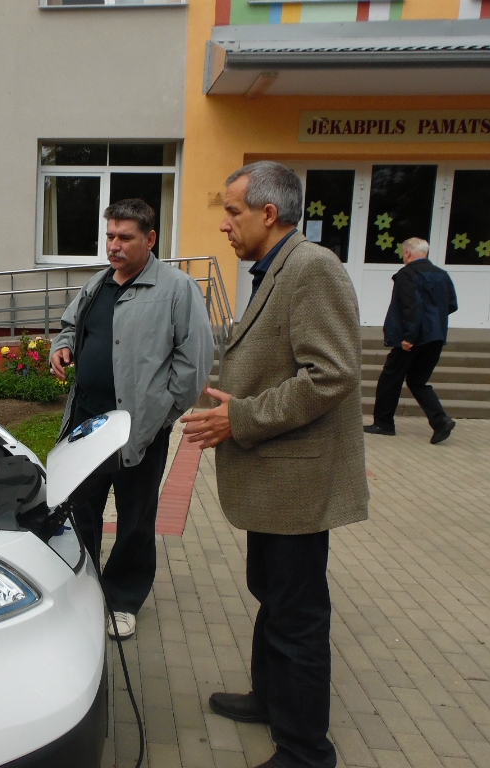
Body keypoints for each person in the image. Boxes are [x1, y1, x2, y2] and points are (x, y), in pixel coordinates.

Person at [180, 162, 368, 768]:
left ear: (268, 213)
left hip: (298, 481)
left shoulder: (313, 268)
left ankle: (306, 750)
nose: (224, 225)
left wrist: (243, 418)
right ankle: (270, 698)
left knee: (298, 616)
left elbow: (331, 374)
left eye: (232, 212)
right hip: (275, 479)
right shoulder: (275, 268)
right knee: (274, 597)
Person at [50, 198, 214, 640]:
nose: (115, 246)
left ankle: (122, 600)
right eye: (110, 236)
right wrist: (61, 347)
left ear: (150, 239)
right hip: (86, 423)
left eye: (125, 237)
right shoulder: (98, 284)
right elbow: (68, 326)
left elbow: (194, 363)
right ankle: (82, 590)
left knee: (135, 519)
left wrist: (160, 414)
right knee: (79, 510)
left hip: (138, 430)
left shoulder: (177, 289)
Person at [364, 237, 458, 444]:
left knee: (390, 377)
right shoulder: (442, 275)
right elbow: (451, 305)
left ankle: (383, 423)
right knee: (417, 381)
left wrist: (409, 336)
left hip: (413, 338)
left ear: (407, 253)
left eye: (403, 253)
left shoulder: (406, 274)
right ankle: (440, 420)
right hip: (436, 336)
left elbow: (410, 306)